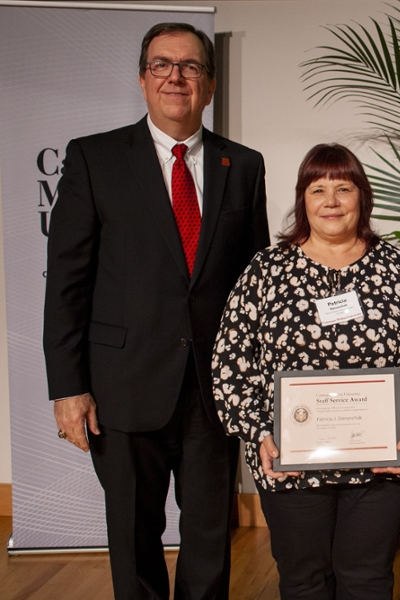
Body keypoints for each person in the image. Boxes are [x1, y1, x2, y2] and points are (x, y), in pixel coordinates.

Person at [43, 22, 269, 600]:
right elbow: (68, 282)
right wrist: (68, 387)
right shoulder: (94, 159)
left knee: (210, 540)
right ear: (143, 80)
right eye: (163, 65)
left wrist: (259, 385)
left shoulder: (241, 165)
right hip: (122, 387)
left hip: (214, 392)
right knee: (133, 540)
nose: (177, 77)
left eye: (191, 66)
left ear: (209, 85)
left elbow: (253, 287)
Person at [213, 143, 400, 600]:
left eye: (344, 188)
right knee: (303, 580)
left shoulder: (399, 273)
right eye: (317, 189)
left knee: (368, 578)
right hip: (290, 462)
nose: (331, 201)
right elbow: (229, 364)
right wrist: (261, 432)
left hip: (380, 465)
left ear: (362, 196)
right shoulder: (266, 272)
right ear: (302, 198)